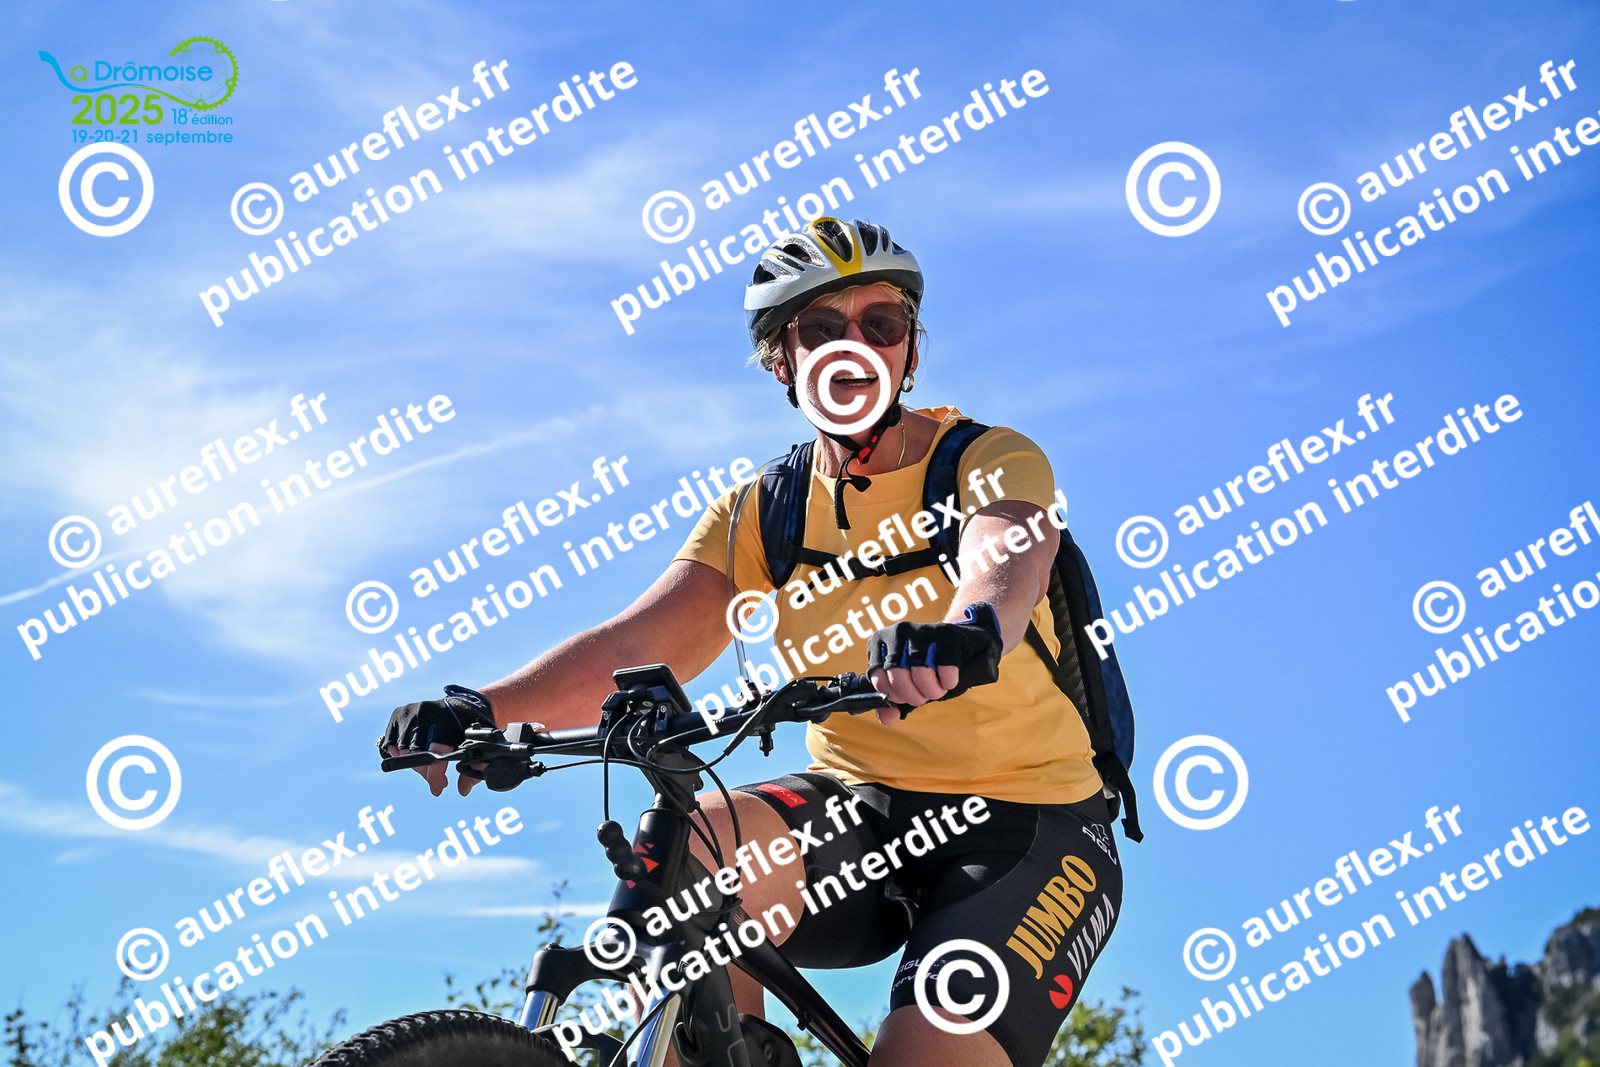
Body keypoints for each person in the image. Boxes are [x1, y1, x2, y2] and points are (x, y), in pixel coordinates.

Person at [380, 217, 1123, 1067]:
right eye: (822, 328)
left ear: (911, 349)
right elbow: (638, 639)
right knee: (688, 852)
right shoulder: (764, 511)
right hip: (859, 808)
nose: (856, 346)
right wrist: (478, 708)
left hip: (1029, 824)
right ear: (783, 361)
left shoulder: (985, 458)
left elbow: (1009, 552)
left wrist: (969, 629)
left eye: (881, 323)